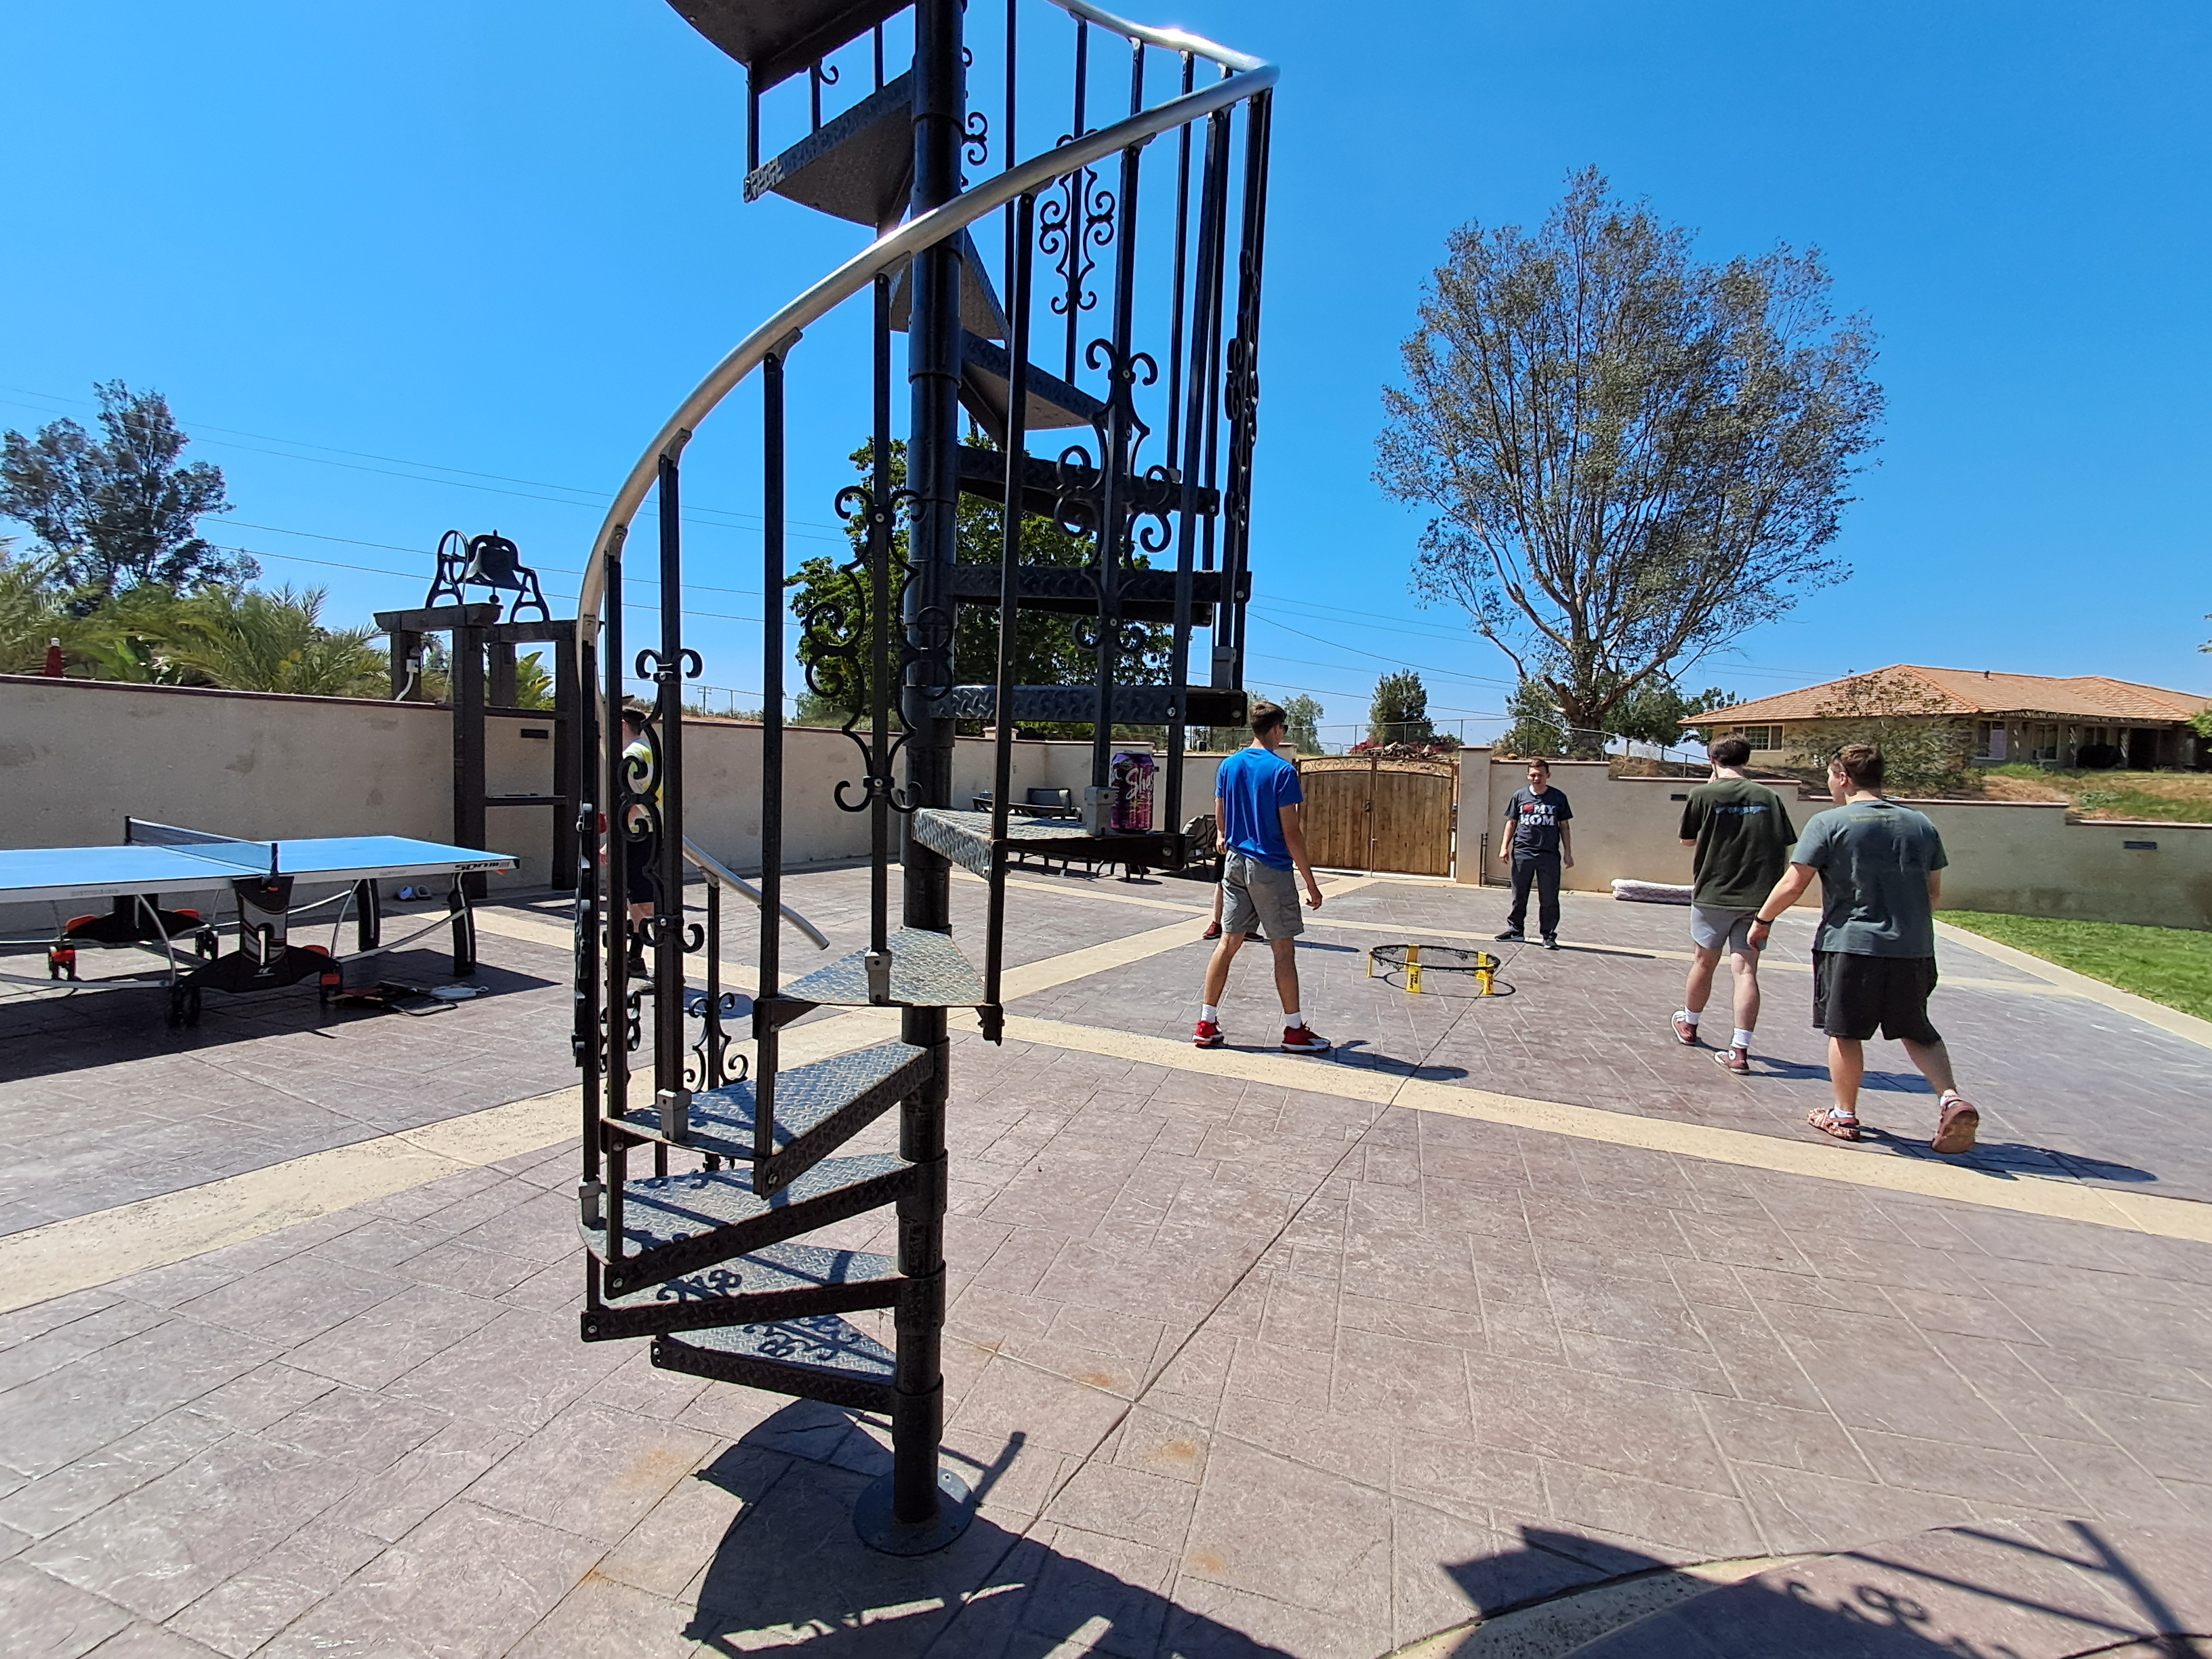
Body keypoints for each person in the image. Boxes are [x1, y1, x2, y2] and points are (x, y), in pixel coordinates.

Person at [1747, 742, 1980, 1154]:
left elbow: (1794, 882)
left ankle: (1844, 1114)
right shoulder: (1920, 824)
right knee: (1916, 1028)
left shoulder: (1829, 822)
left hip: (1852, 944)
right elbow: (1934, 893)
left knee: (1844, 1031)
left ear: (1843, 778)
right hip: (1914, 948)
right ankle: (1951, 1099)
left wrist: (1763, 921)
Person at [1195, 701, 1330, 1053]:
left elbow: (1220, 812)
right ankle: (1294, 1031)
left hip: (1235, 865)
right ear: (1276, 729)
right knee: (1283, 949)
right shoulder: (1282, 772)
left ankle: (1206, 1023)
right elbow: (1292, 832)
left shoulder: (1229, 765)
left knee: (1228, 943)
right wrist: (1311, 884)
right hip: (1270, 868)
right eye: (1283, 728)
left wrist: (1225, 835)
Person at [1672, 736, 1796, 1073]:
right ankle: (1740, 1050)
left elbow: (1687, 839)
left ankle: (1690, 1025)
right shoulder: (1769, 797)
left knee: (1704, 961)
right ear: (1746, 759)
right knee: (1746, 970)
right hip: (1758, 900)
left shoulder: (1702, 795)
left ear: (1713, 759)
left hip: (1714, 893)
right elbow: (1784, 843)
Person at [1495, 759, 1573, 949]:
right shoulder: (1520, 796)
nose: (1536, 778)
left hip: (1549, 854)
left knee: (1549, 897)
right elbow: (1511, 822)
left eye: (1540, 774)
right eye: (1533, 775)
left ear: (1548, 775)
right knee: (1519, 894)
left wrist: (1568, 853)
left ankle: (1548, 936)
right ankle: (1516, 931)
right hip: (1523, 852)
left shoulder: (1558, 797)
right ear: (1528, 776)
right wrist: (1504, 847)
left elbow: (1564, 826)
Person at [617, 701, 659, 979]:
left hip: (639, 834)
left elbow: (633, 799)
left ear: (621, 726)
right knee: (638, 898)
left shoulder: (632, 754)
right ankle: (635, 957)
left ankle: (662, 956)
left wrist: (617, 835)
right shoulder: (647, 749)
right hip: (650, 831)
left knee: (644, 900)